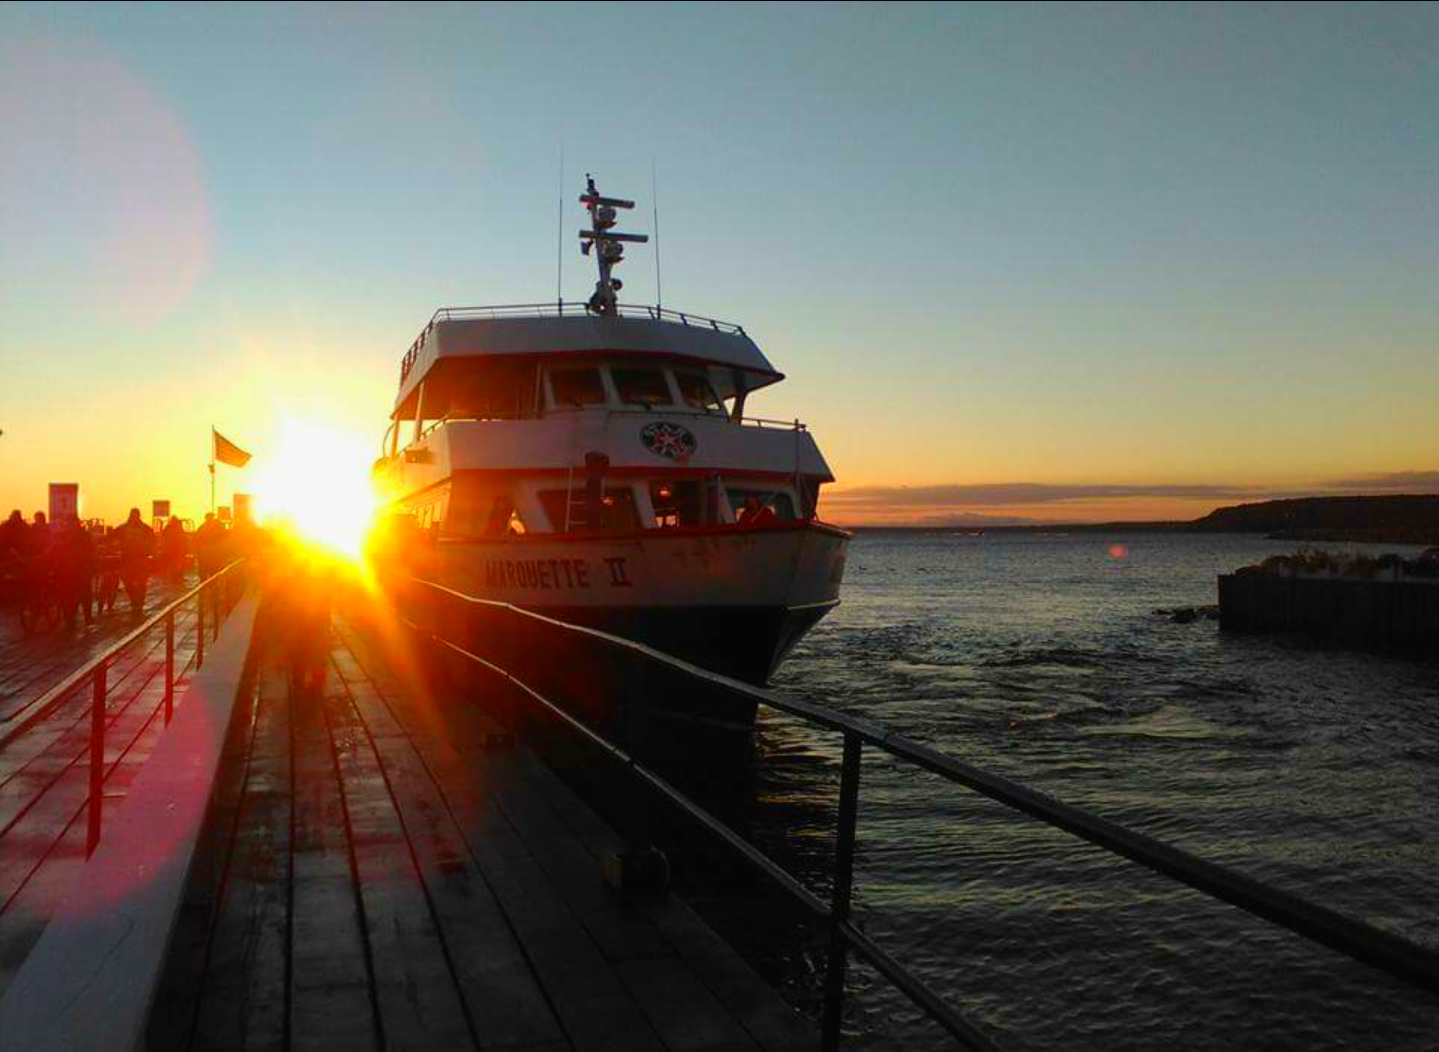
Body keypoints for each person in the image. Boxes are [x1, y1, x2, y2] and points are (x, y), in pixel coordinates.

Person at [48, 515, 95, 629]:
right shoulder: (76, 535)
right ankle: (79, 620)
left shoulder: (80, 535)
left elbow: (59, 547)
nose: (69, 525)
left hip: (78, 569)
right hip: (70, 570)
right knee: (73, 596)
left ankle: (82, 620)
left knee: (80, 596)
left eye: (70, 523)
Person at [115, 507, 155, 615]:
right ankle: (135, 601)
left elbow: (152, 541)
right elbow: (113, 536)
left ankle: (139, 603)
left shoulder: (145, 529)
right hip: (128, 559)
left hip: (141, 559)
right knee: (128, 583)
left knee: (141, 583)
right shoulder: (124, 528)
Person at [194, 512, 228, 580]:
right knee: (213, 568)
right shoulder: (217, 527)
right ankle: (211, 582)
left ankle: (204, 582)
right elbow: (224, 536)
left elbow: (196, 539)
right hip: (214, 550)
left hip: (204, 550)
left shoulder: (202, 527)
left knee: (204, 568)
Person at [159, 517, 188, 582]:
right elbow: (183, 538)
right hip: (176, 548)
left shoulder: (169, 527)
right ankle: (176, 577)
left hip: (174, 548)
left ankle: (177, 577)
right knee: (177, 564)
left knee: (176, 564)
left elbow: (164, 537)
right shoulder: (177, 527)